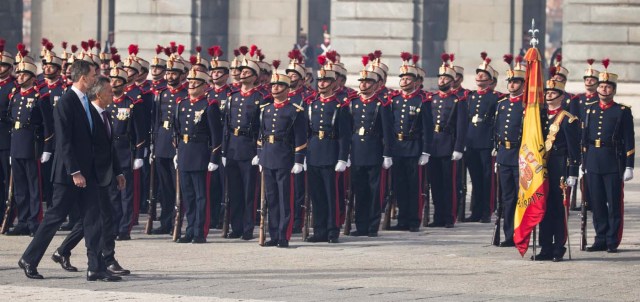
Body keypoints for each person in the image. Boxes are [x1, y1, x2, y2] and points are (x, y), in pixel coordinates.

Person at [19, 59, 120, 281]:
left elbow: (96, 139)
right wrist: (74, 171)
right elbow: (64, 141)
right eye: (94, 75)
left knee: (93, 219)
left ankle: (96, 267)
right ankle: (29, 258)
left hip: (89, 172)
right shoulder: (66, 101)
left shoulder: (85, 101)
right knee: (55, 218)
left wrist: (112, 169)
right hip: (69, 175)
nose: (96, 78)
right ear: (83, 77)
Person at [52, 76, 130, 275]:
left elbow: (109, 147)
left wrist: (118, 171)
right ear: (98, 94)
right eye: (109, 91)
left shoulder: (106, 114)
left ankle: (63, 250)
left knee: (94, 218)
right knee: (102, 218)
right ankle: (107, 259)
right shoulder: (90, 115)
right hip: (93, 174)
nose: (113, 94)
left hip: (105, 173)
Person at [583, 60, 634, 253]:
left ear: (613, 90)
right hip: (593, 161)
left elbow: (629, 139)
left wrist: (629, 165)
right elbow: (584, 138)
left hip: (613, 161)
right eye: (601, 86)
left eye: (608, 86)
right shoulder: (590, 110)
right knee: (596, 203)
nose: (604, 89)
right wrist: (583, 161)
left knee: (613, 203)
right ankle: (600, 238)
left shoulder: (622, 111)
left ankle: (612, 240)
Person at [221, 47, 270, 240]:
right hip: (233, 146)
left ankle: (248, 227)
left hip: (249, 147)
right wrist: (224, 150)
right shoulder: (232, 97)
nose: (242, 75)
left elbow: (262, 127)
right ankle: (236, 226)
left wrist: (259, 150)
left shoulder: (261, 98)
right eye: (241, 72)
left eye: (247, 72)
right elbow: (226, 125)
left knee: (250, 190)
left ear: (255, 76)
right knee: (234, 191)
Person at [6, 45, 54, 236]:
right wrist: (12, 150)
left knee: (34, 187)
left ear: (33, 77)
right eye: (18, 74)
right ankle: (23, 220)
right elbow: (12, 121)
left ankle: (35, 221)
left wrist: (47, 148)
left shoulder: (40, 97)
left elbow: (48, 126)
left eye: (23, 75)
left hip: (33, 146)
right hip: (17, 145)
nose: (19, 77)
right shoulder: (15, 96)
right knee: (20, 187)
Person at [258, 62, 306, 247]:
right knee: (271, 199)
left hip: (285, 157)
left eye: (278, 86)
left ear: (287, 89)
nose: (274, 88)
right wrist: (260, 156)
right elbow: (261, 135)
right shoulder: (266, 110)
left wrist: (298, 160)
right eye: (273, 85)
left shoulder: (295, 111)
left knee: (285, 198)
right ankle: (273, 234)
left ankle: (284, 235)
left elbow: (300, 138)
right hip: (269, 156)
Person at [530, 79, 580, 262]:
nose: (548, 94)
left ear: (561, 95)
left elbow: (574, 148)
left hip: (560, 166)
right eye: (547, 92)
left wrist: (573, 171)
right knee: (543, 207)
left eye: (552, 92)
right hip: (543, 167)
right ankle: (545, 247)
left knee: (559, 209)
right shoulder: (539, 117)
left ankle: (559, 246)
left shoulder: (568, 118)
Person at [305, 55, 350, 243]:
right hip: (314, 151)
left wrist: (342, 158)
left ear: (334, 84)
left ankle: (333, 230)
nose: (322, 84)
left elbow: (344, 135)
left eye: (326, 81)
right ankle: (320, 230)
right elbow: (307, 132)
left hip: (331, 152)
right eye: (320, 80)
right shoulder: (312, 104)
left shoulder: (340, 106)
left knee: (332, 195)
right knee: (317, 195)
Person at [173, 67, 221, 243]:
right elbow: (176, 129)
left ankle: (200, 231)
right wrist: (177, 151)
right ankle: (190, 229)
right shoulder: (182, 104)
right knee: (188, 195)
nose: (191, 86)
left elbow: (216, 135)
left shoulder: (209, 106)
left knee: (201, 196)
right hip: (185, 152)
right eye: (190, 83)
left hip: (201, 154)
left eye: (195, 83)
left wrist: (214, 158)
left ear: (204, 86)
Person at [347, 57, 392, 237]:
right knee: (359, 191)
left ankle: (372, 226)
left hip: (374, 150)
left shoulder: (381, 105)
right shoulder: (353, 103)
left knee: (374, 191)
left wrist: (387, 154)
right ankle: (360, 225)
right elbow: (349, 129)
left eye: (368, 82)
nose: (364, 85)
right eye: (362, 82)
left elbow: (387, 132)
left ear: (375, 85)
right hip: (357, 150)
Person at [387, 53, 433, 231]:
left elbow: (427, 128)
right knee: (399, 186)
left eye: (408, 78)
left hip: (414, 148)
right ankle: (402, 220)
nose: (404, 81)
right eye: (403, 78)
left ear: (416, 82)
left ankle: (414, 220)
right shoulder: (395, 100)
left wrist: (426, 151)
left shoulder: (422, 101)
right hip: (398, 148)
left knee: (414, 187)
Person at [107, 56, 147, 241]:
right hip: (109, 151)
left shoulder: (132, 103)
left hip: (125, 151)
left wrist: (139, 154)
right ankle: (113, 225)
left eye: (117, 81)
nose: (113, 84)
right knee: (112, 192)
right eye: (111, 80)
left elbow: (140, 131)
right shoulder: (105, 103)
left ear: (124, 84)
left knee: (126, 193)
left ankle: (124, 228)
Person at [427, 54, 467, 228]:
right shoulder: (432, 98)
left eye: (445, 77)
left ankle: (449, 217)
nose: (442, 80)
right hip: (433, 145)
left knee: (448, 183)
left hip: (448, 144)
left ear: (452, 81)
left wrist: (458, 148)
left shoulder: (458, 100)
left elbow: (461, 126)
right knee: (435, 183)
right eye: (440, 77)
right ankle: (438, 216)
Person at [150, 55, 188, 235]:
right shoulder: (162, 94)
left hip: (177, 143)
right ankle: (165, 222)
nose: (170, 76)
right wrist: (153, 144)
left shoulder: (186, 93)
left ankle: (178, 222)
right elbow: (156, 120)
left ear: (182, 75)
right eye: (169, 73)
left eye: (174, 73)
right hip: (162, 142)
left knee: (178, 187)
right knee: (164, 188)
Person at [494, 55, 526, 247]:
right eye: (511, 82)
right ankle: (509, 235)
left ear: (523, 84)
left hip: (520, 156)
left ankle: (521, 233)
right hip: (504, 156)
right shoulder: (502, 104)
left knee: (521, 198)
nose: (512, 85)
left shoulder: (527, 105)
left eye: (516, 82)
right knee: (507, 198)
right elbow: (495, 128)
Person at [465, 52, 500, 223]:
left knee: (487, 178)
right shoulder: (470, 96)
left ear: (490, 80)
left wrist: (495, 142)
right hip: (471, 141)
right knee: (475, 178)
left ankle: (487, 210)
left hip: (486, 142)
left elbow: (497, 122)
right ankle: (476, 211)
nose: (479, 76)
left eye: (484, 75)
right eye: (478, 74)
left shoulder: (495, 97)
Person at [0, 39, 16, 229]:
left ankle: (9, 216)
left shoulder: (12, 87)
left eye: (4, 64)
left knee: (8, 182)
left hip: (6, 138)